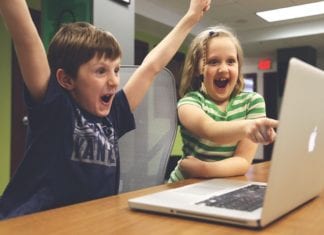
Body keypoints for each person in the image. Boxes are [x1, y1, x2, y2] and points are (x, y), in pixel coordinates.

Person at [0, 0, 211, 219]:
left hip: (90, 222)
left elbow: (151, 67)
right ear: (66, 79)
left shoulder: (114, 115)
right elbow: (26, 38)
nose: (114, 82)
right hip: (31, 223)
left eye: (116, 70)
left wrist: (191, 17)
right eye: (101, 71)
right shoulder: (55, 108)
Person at [169, 25, 278, 183]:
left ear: (238, 66)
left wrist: (204, 170)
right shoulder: (189, 102)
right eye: (213, 62)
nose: (223, 69)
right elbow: (211, 130)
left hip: (222, 184)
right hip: (184, 185)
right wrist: (248, 127)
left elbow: (242, 161)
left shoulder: (253, 102)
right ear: (198, 68)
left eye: (231, 61)